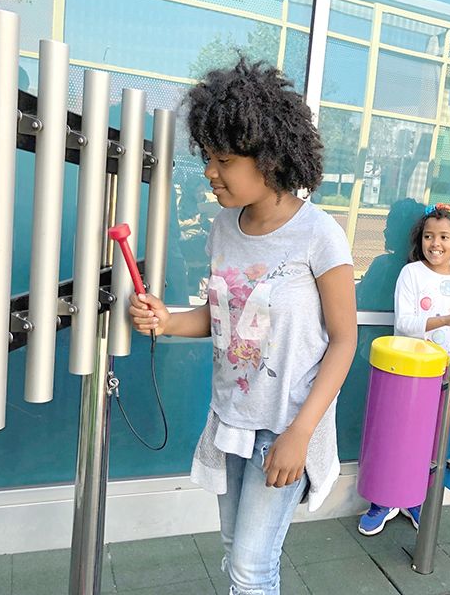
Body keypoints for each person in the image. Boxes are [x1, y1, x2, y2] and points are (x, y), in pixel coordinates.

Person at [129, 58, 357, 595]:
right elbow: (225, 320)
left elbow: (345, 341)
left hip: (286, 425)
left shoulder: (319, 235)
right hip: (230, 417)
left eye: (224, 159)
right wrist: (167, 320)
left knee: (253, 568)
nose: (210, 171)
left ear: (271, 156)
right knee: (236, 552)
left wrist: (300, 434)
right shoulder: (221, 228)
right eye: (208, 157)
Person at [358, 202, 450, 536]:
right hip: (409, 373)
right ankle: (382, 501)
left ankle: (413, 497)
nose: (434, 243)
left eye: (443, 237)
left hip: (447, 373)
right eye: (428, 236)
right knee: (396, 437)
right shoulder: (411, 273)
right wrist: (446, 318)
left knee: (429, 439)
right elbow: (406, 324)